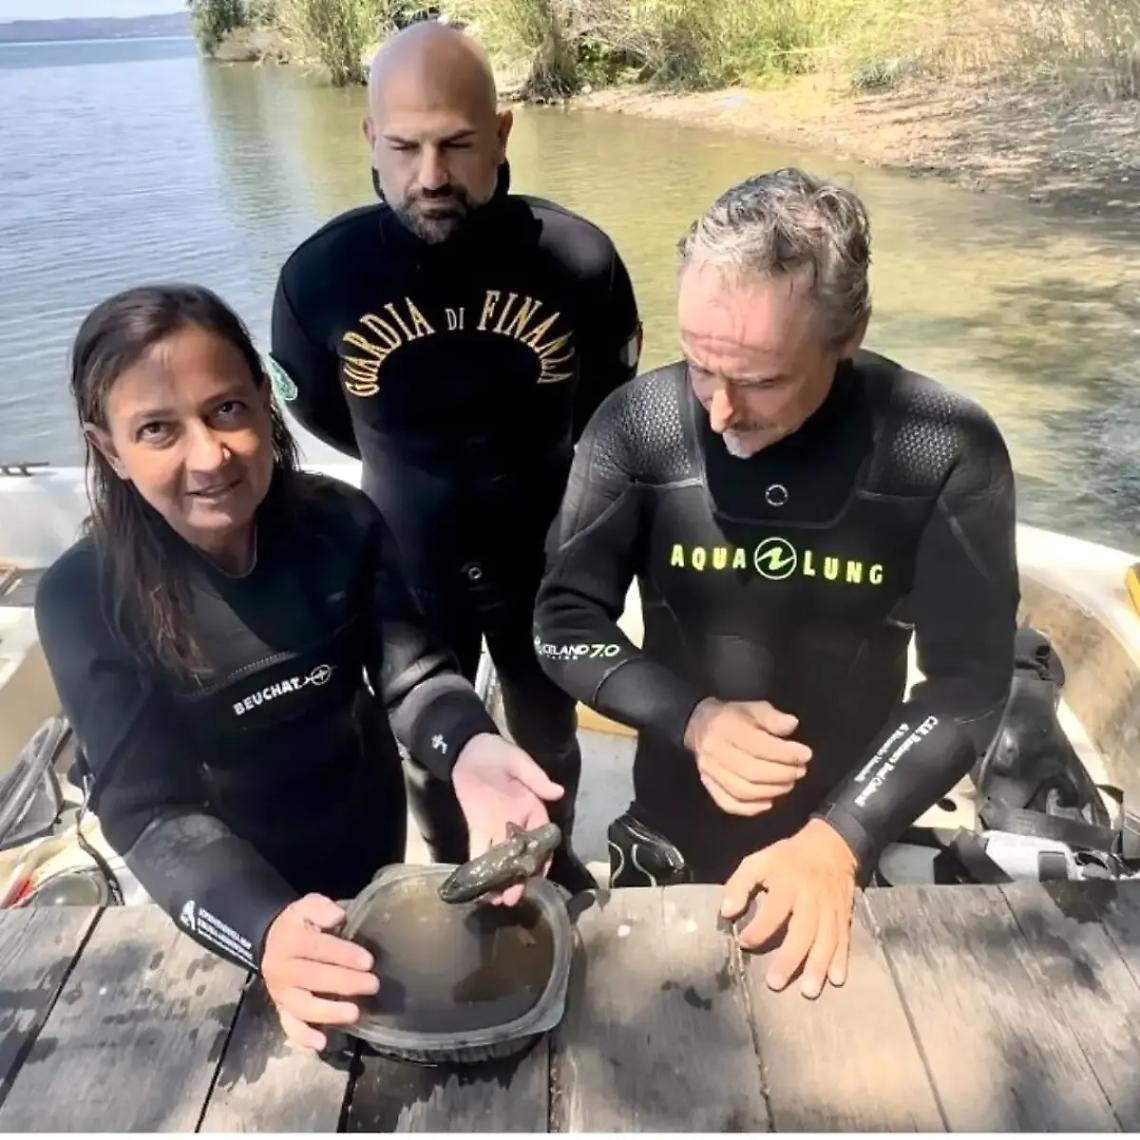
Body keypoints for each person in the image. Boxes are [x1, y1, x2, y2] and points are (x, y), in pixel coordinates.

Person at [35, 284, 564, 1052]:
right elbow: (151, 812)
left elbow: (413, 678)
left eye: (226, 409)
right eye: (157, 430)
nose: (210, 456)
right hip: (224, 889)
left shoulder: (339, 521)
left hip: (365, 832)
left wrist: (472, 748)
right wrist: (265, 930)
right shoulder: (84, 597)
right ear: (108, 449)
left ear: (263, 400)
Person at [534, 169, 1019, 998]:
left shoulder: (942, 446)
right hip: (672, 826)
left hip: (849, 826)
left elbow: (970, 681)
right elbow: (562, 619)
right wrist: (692, 719)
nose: (721, 413)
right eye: (698, 367)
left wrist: (841, 839)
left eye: (760, 381)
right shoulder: (640, 426)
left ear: (849, 333)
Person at [267, 21, 641, 894]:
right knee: (428, 738)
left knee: (549, 730)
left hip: (543, 550)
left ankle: (550, 856)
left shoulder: (577, 260)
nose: (430, 176)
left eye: (456, 144)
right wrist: (410, 464)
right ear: (368, 140)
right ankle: (444, 867)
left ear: (503, 133)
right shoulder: (322, 278)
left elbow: (607, 404)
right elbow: (314, 408)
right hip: (406, 554)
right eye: (403, 147)